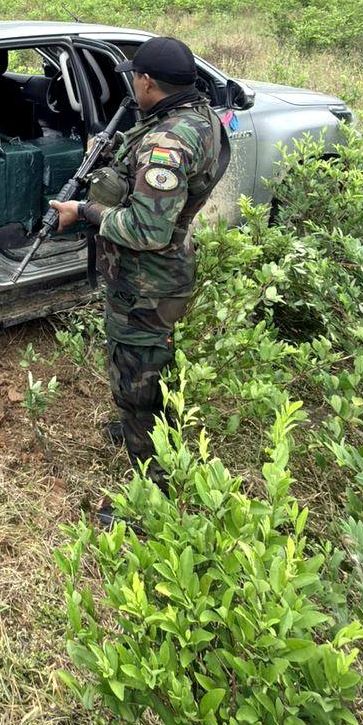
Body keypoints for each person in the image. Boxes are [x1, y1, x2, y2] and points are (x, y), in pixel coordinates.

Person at [49, 35, 228, 522]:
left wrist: (85, 210)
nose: (132, 83)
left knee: (136, 384)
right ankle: (148, 425)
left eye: (135, 77)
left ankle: (154, 502)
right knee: (152, 368)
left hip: (146, 281)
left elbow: (147, 229)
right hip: (165, 274)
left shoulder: (166, 143)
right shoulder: (199, 119)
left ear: (147, 82)